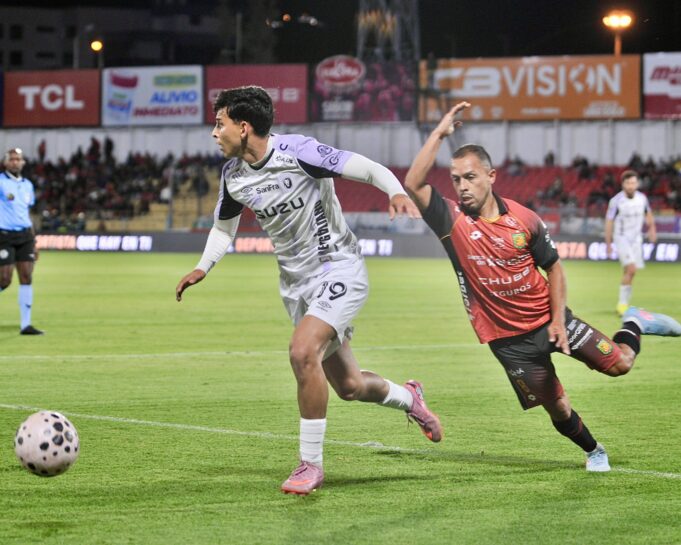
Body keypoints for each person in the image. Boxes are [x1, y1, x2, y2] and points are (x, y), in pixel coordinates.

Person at [175, 86, 442, 495]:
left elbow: (368, 168)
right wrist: (202, 266)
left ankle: (310, 465)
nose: (214, 132)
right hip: (296, 287)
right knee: (349, 386)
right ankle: (410, 398)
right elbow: (224, 228)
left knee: (302, 352)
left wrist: (395, 191)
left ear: (243, 127)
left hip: (338, 268)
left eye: (219, 123)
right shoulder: (233, 176)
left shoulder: (300, 153)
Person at [404, 102, 681, 473]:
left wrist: (557, 319)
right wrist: (439, 133)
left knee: (621, 364)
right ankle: (594, 451)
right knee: (558, 407)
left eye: (470, 177)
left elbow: (554, 267)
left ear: (491, 176)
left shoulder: (525, 220)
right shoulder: (450, 219)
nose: (462, 186)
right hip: (508, 342)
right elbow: (413, 183)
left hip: (551, 321)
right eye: (456, 180)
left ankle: (635, 320)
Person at [0, 148, 44, 335]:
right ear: (5, 163)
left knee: (26, 276)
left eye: (18, 159)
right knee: (4, 279)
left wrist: (34, 241)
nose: (15, 162)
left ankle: (26, 325)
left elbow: (27, 213)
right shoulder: (1, 182)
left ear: (23, 163)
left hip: (25, 235)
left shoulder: (28, 185)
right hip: (4, 235)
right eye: (12, 159)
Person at [604, 171, 657, 316]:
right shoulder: (616, 201)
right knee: (631, 269)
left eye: (633, 183)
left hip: (636, 239)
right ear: (623, 184)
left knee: (630, 272)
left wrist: (652, 229)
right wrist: (608, 243)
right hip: (622, 238)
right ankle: (622, 304)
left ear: (637, 184)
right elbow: (609, 222)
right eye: (628, 183)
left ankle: (624, 303)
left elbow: (648, 214)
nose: (630, 186)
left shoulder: (642, 198)